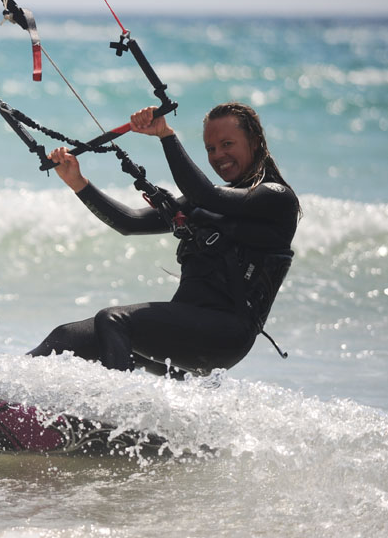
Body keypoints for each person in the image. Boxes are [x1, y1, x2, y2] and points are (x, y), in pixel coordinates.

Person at [28, 102, 300, 378]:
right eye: (210, 148)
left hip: (225, 334)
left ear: (254, 141)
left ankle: (112, 410)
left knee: (113, 320)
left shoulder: (276, 198)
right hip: (184, 326)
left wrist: (165, 135)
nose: (218, 155)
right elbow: (130, 222)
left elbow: (207, 195)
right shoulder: (204, 203)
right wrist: (78, 183)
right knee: (64, 339)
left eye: (227, 143)